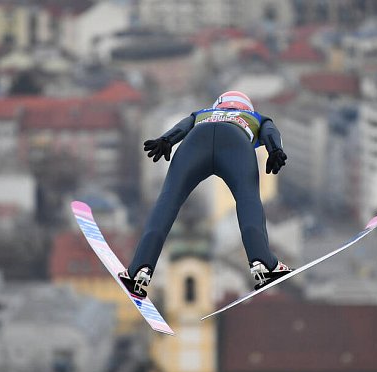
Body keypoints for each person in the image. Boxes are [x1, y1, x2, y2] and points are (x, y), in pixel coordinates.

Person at [118, 91, 292, 298]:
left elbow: (182, 127)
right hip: (235, 143)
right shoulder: (256, 118)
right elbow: (271, 133)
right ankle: (263, 264)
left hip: (194, 143)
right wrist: (275, 151)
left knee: (167, 202)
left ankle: (138, 271)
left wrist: (165, 140)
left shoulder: (203, 113)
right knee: (248, 201)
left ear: (218, 106)